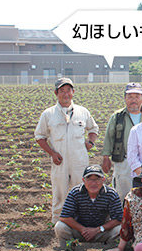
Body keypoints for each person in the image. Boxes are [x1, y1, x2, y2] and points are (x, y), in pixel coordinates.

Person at [35, 78, 99, 224]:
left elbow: (93, 128)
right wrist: (52, 153)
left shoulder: (82, 111)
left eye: (68, 90)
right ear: (56, 93)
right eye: (62, 91)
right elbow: (39, 137)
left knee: (83, 191)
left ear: (73, 92)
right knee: (60, 193)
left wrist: (90, 142)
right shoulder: (48, 114)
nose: (65, 94)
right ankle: (58, 223)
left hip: (79, 160)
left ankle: (83, 221)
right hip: (60, 161)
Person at [54, 165, 122, 248]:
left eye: (97, 179)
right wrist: (83, 230)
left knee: (120, 229)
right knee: (60, 226)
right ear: (83, 180)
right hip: (79, 231)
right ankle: (69, 247)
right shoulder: (75, 193)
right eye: (89, 179)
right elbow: (65, 217)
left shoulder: (111, 194)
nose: (93, 183)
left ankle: (109, 247)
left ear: (103, 180)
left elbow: (118, 219)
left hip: (101, 232)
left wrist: (98, 230)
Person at [101, 83, 142, 203]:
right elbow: (109, 137)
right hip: (123, 162)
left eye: (137, 96)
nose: (133, 100)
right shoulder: (117, 116)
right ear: (125, 98)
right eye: (130, 96)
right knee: (122, 194)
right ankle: (122, 220)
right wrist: (106, 157)